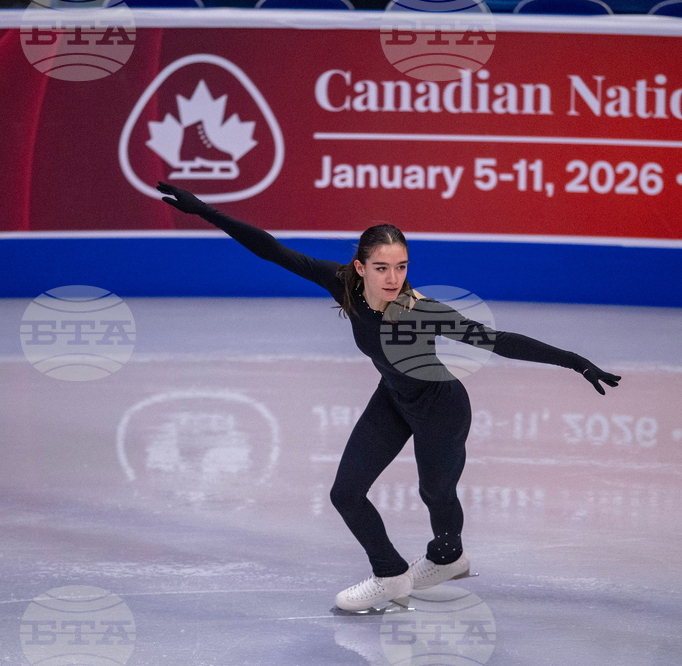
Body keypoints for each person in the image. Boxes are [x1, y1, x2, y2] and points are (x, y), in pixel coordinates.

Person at [156, 181, 622, 612]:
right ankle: (391, 573)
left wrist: (574, 360)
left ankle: (449, 558)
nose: (393, 277)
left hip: (442, 408)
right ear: (360, 268)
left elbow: (496, 340)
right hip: (394, 399)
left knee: (435, 493)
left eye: (401, 266)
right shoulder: (343, 283)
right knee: (346, 493)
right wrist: (205, 211)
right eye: (382, 267)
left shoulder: (421, 312)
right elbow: (273, 251)